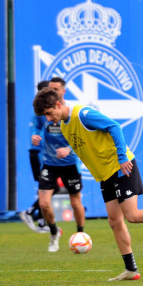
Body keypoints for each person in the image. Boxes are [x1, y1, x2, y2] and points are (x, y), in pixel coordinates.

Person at [33, 87, 143, 281]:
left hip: (121, 167)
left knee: (132, 216)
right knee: (114, 221)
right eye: (45, 116)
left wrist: (121, 157)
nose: (48, 119)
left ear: (58, 104)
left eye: (49, 113)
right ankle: (131, 269)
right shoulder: (65, 126)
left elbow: (114, 127)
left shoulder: (83, 114)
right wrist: (70, 151)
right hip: (106, 175)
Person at [37, 77, 87, 252]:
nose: (52, 91)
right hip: (49, 163)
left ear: (63, 91)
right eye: (50, 88)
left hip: (70, 163)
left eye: (56, 88)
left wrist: (68, 149)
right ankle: (54, 232)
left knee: (75, 202)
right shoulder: (46, 112)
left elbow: (81, 137)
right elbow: (36, 126)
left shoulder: (71, 112)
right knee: (44, 203)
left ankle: (81, 235)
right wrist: (35, 136)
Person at [19, 80, 50, 233]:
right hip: (37, 154)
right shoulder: (39, 111)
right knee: (48, 188)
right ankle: (30, 212)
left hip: (42, 154)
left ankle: (42, 221)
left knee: (47, 188)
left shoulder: (44, 109)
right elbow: (35, 133)